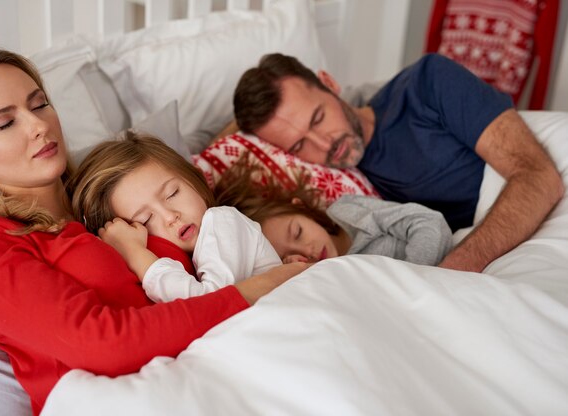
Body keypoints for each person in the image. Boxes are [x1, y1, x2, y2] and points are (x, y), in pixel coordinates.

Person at [0, 49, 306, 416]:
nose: (39, 126)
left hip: (225, 370)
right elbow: (101, 345)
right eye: (5, 123)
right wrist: (257, 289)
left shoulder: (111, 198)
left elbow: (208, 205)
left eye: (39, 105)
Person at [231, 53, 564, 272]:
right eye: (300, 144)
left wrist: (454, 268)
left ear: (331, 85)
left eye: (318, 118)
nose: (325, 144)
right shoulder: (348, 193)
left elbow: (538, 175)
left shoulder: (427, 83)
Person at [70, 131, 282, 303]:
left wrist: (136, 255)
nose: (171, 216)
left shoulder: (223, 222)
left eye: (172, 193)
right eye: (145, 220)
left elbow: (210, 305)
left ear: (192, 178)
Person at [215, 160, 453, 266]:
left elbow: (429, 222)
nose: (308, 251)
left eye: (298, 233)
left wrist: (414, 280)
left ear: (302, 208)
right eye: (287, 256)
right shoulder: (315, 277)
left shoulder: (348, 212)